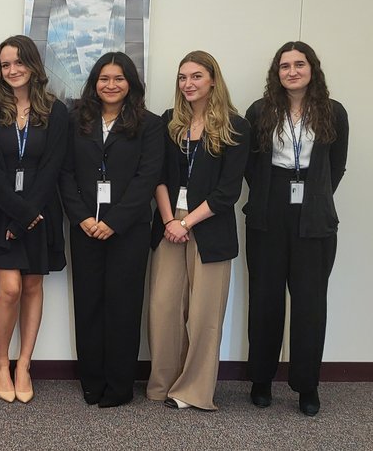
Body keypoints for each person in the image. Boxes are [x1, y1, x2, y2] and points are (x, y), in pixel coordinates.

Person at [244, 42, 349, 416]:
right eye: (285, 65)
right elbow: (250, 166)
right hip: (268, 214)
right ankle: (260, 380)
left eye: (299, 64)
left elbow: (336, 167)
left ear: (312, 69)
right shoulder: (260, 111)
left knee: (309, 305)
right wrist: (272, 197)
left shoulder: (333, 113)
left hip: (315, 217)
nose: (292, 71)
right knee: (265, 300)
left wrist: (314, 197)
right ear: (277, 72)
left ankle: (307, 386)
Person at [147, 50, 250, 411]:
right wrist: (168, 222)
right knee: (163, 307)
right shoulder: (168, 123)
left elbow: (228, 192)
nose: (187, 84)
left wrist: (186, 222)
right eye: (182, 77)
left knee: (204, 314)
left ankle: (192, 390)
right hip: (168, 222)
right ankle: (163, 384)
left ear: (212, 81)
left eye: (195, 77)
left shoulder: (235, 126)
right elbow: (156, 177)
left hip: (210, 225)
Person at [59, 52, 163, 408]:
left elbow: (146, 178)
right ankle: (92, 382)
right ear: (94, 83)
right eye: (104, 78)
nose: (111, 85)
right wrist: (83, 217)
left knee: (123, 306)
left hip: (128, 231)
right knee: (88, 305)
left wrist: (114, 221)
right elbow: (65, 172)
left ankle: (119, 386)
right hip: (84, 227)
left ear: (131, 83)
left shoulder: (149, 125)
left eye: (119, 79)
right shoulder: (76, 121)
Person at [0, 34, 69, 404]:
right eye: (5, 64)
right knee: (9, 289)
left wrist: (27, 216)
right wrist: (16, 216)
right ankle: (0, 363)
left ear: (33, 65)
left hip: (41, 211)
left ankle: (24, 364)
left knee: (32, 288)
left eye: (19, 62)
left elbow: (52, 167)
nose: (12, 70)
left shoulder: (55, 111)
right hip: (0, 210)